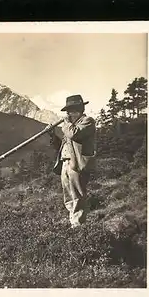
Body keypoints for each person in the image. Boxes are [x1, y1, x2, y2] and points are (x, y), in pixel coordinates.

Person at [47, 94, 96, 228]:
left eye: (71, 110)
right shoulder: (71, 126)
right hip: (65, 163)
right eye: (68, 111)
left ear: (79, 110)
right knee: (69, 197)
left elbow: (74, 134)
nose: (68, 114)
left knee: (77, 196)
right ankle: (74, 223)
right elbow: (61, 146)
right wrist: (52, 134)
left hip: (78, 165)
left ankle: (79, 227)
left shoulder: (87, 121)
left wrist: (66, 123)